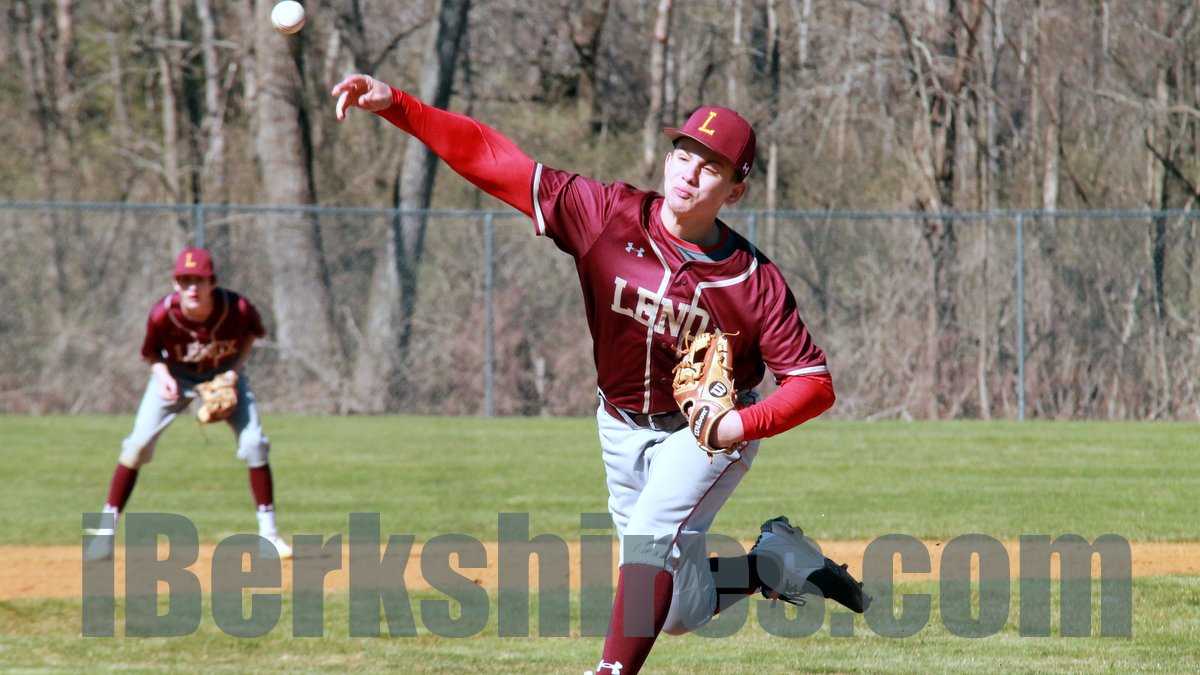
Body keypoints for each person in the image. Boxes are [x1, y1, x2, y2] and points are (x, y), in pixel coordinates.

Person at [331, 74, 868, 673]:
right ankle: (772, 563)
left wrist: (737, 426)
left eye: (710, 167)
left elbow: (813, 384)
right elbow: (495, 162)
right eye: (684, 154)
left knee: (650, 540)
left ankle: (611, 671)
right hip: (619, 424)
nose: (689, 173)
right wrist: (398, 106)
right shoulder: (606, 216)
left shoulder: (752, 281)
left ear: (735, 191)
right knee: (676, 611)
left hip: (707, 431)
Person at [84, 247, 292, 562]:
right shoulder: (162, 314)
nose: (192, 288)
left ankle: (270, 535)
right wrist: (163, 376)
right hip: (176, 377)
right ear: (175, 284)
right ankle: (104, 534)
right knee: (136, 446)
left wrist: (233, 373)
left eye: (199, 280)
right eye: (184, 280)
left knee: (254, 444)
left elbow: (252, 335)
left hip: (224, 376)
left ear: (213, 283)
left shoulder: (237, 308)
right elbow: (151, 354)